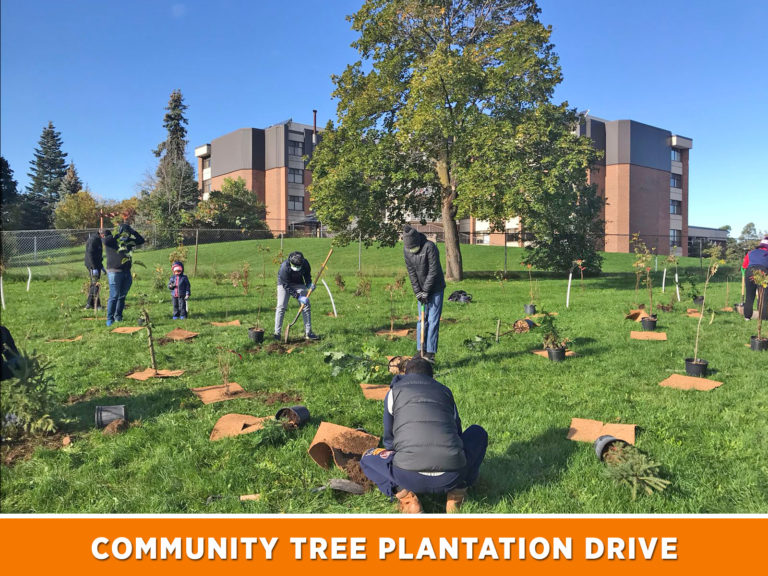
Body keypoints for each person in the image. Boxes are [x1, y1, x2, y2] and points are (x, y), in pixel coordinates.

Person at [360, 357, 488, 514]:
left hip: (408, 476)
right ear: (431, 376)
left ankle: (407, 499)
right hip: (452, 475)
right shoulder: (445, 391)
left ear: (405, 374)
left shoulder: (393, 393)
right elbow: (458, 432)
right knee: (478, 432)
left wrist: (396, 456)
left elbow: (389, 437)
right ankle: (457, 495)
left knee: (367, 457)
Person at [402, 224, 446, 363]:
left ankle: (430, 352)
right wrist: (418, 292)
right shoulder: (407, 251)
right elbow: (412, 273)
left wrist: (426, 291)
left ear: (417, 242)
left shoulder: (429, 247)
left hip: (435, 289)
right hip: (421, 291)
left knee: (432, 320)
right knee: (422, 320)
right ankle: (420, 349)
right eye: (409, 249)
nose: (412, 251)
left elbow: (434, 270)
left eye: (413, 248)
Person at [102, 223, 145, 327]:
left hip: (126, 272)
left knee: (122, 296)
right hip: (114, 272)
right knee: (114, 296)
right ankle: (109, 318)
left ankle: (118, 317)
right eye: (124, 232)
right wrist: (118, 234)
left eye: (127, 232)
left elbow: (141, 240)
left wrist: (133, 231)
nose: (125, 234)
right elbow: (105, 241)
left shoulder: (128, 242)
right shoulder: (112, 241)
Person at [274, 251, 319, 341]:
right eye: (295, 266)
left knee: (306, 306)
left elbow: (307, 275)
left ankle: (308, 333)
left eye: (299, 266)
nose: (297, 268)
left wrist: (309, 284)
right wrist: (298, 297)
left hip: (298, 283)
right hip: (284, 284)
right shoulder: (284, 268)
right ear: (290, 262)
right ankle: (277, 333)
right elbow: (286, 286)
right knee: (281, 306)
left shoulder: (305, 263)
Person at [742, 235, 768, 321]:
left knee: (749, 295)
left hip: (750, 271)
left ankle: (747, 317)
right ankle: (763, 318)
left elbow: (744, 265)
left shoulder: (751, 252)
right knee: (763, 296)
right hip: (763, 271)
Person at [84, 230, 106, 309]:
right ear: (101, 234)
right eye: (104, 236)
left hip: (97, 265)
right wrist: (94, 267)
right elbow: (90, 254)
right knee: (95, 285)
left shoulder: (97, 239)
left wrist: (101, 266)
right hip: (92, 265)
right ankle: (94, 305)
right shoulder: (94, 240)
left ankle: (92, 304)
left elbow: (98, 254)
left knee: (95, 284)